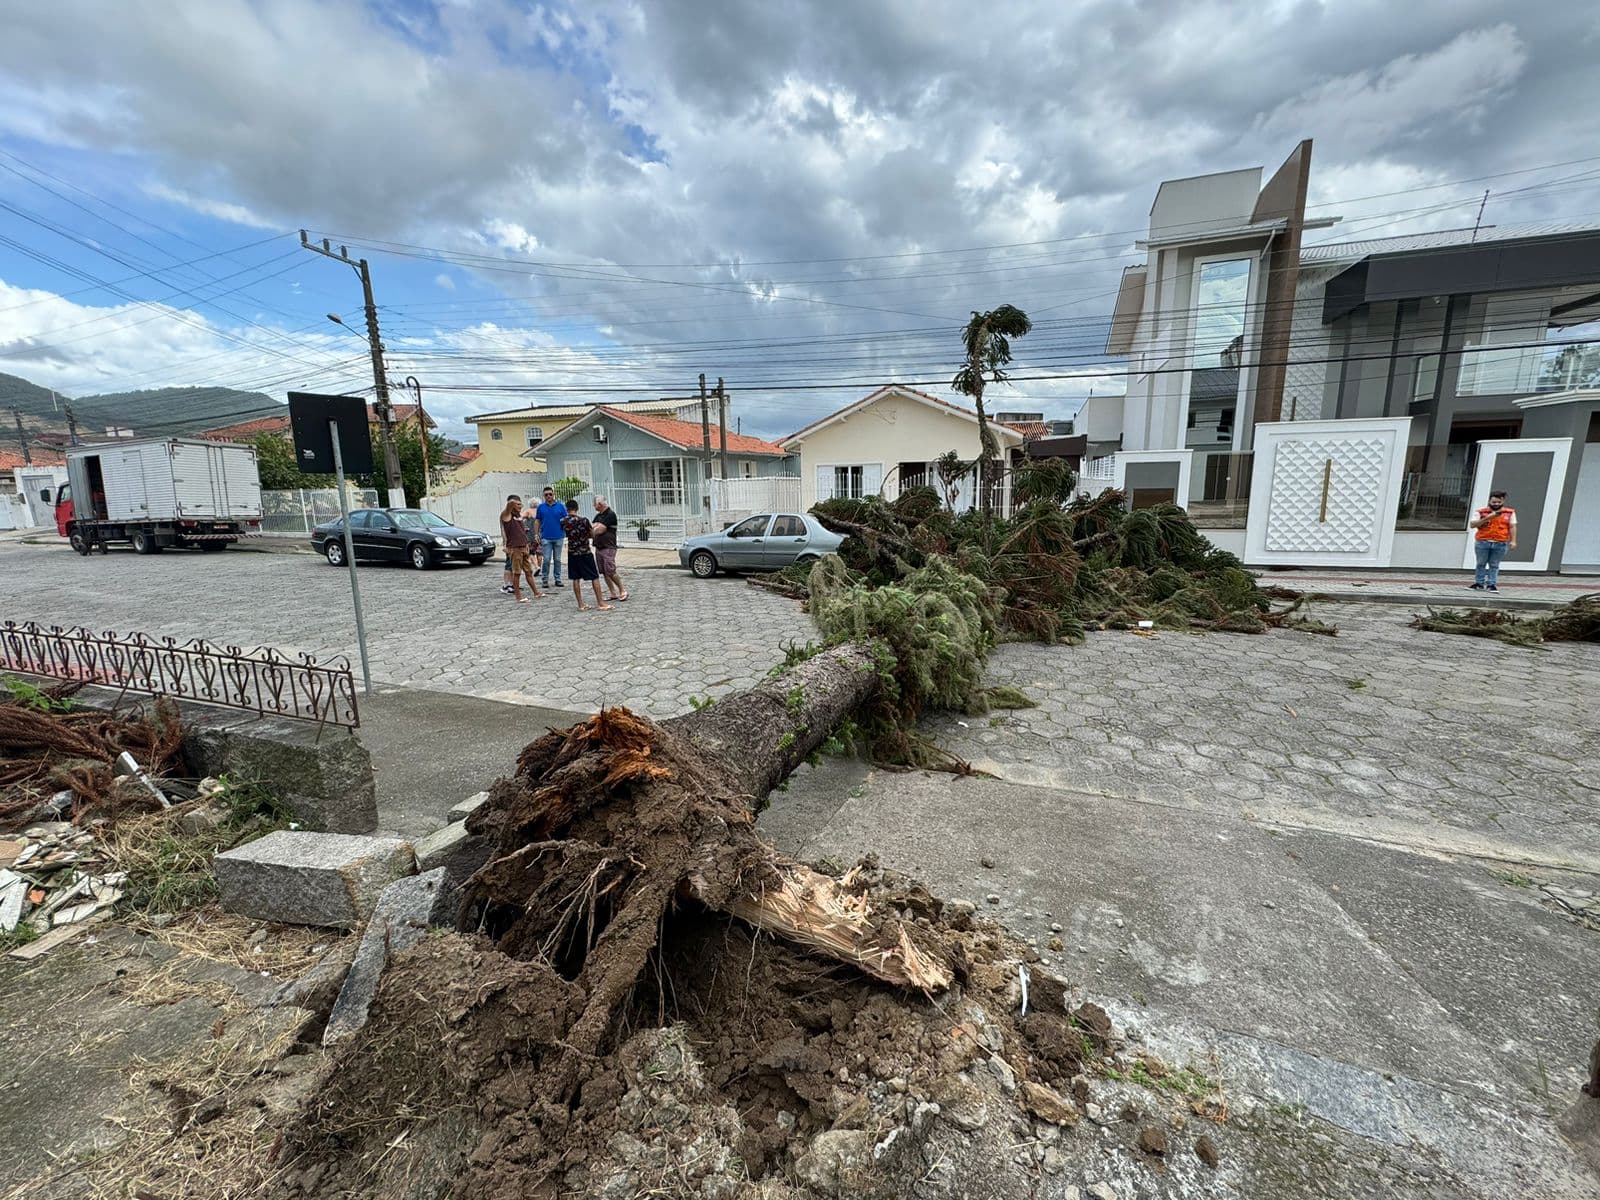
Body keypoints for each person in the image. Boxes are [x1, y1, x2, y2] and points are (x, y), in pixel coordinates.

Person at [562, 499, 612, 611]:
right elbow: (592, 534)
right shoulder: (584, 520)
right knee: (594, 577)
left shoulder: (563, 521)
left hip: (572, 552)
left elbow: (566, 533)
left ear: (567, 509)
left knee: (575, 578)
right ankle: (600, 602)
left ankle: (581, 604)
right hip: (585, 551)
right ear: (577, 508)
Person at [1468, 489, 1517, 591]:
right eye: (1494, 502)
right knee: (1481, 563)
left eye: (1499, 502)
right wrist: (1487, 518)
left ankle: (1491, 584)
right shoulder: (1481, 512)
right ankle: (1479, 583)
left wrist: (1513, 541)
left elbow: (1512, 527)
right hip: (1483, 541)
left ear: (1503, 501)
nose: (1496, 504)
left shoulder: (1509, 513)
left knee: (1494, 565)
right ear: (1489, 501)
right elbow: (1472, 525)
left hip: (1500, 542)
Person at [499, 495, 543, 603]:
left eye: (521, 503)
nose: (520, 506)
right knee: (517, 573)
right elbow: (509, 505)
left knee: (529, 571)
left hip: (523, 547)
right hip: (515, 548)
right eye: (517, 504)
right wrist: (513, 502)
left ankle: (536, 593)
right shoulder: (506, 515)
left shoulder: (518, 516)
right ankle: (518, 597)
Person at [592, 495, 627, 602]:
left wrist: (594, 528)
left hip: (608, 547)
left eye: (595, 504)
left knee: (610, 570)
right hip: (599, 546)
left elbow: (599, 530)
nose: (594, 506)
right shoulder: (599, 516)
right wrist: (594, 527)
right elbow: (592, 526)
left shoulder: (610, 514)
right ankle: (613, 593)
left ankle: (622, 590)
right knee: (604, 572)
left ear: (600, 504)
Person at [534, 486, 567, 590]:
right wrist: (536, 533)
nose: (548, 496)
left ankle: (558, 579)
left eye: (550, 494)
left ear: (554, 494)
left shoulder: (561, 506)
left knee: (557, 559)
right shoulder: (541, 507)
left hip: (558, 536)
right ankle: (545, 579)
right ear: (544, 496)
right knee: (547, 559)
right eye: (546, 495)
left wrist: (566, 531)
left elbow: (566, 519)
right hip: (546, 537)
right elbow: (537, 520)